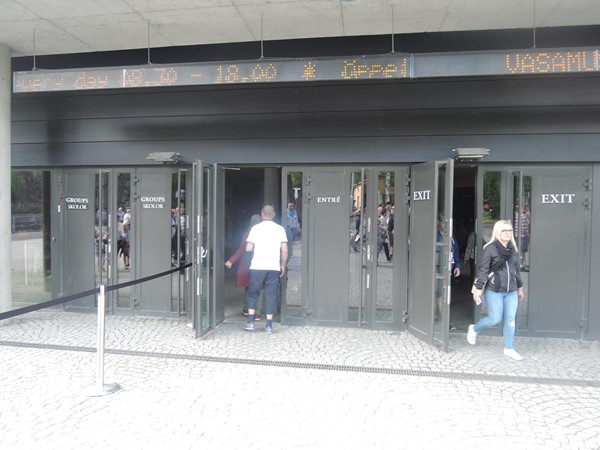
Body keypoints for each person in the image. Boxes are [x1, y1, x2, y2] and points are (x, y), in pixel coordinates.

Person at [467, 220, 525, 361]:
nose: (508, 233)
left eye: (510, 230)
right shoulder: (490, 248)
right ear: (498, 231)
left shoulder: (513, 249)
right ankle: (474, 329)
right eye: (505, 230)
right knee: (495, 319)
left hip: (511, 291)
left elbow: (516, 271)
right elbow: (484, 269)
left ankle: (509, 348)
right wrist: (479, 288)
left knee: (510, 320)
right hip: (495, 290)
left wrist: (520, 288)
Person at [243, 204, 288, 334]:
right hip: (273, 266)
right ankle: (268, 325)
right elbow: (284, 250)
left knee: (253, 292)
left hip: (257, 265)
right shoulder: (280, 229)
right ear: (273, 215)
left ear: (262, 214)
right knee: (271, 294)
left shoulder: (255, 229)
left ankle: (250, 322)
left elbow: (248, 248)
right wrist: (282, 264)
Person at [225, 214, 263, 319]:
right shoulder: (264, 234)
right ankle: (257, 311)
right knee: (259, 287)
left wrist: (231, 261)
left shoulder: (247, 233)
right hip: (261, 263)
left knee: (248, 287)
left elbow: (242, 249)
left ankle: (247, 308)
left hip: (247, 264)